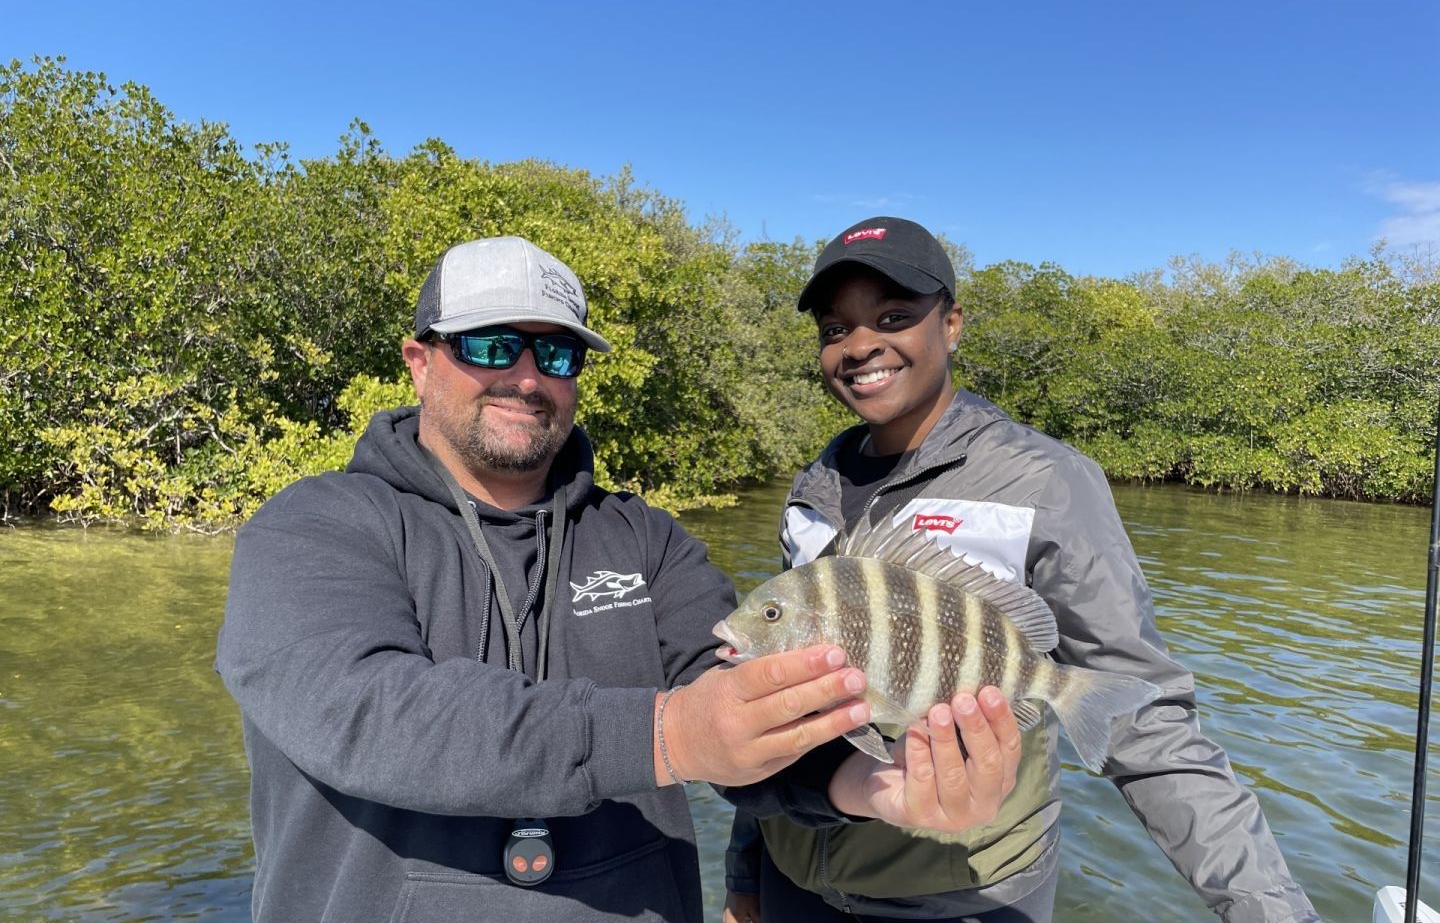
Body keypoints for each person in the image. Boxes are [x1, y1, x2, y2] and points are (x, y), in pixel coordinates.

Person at [216, 234, 1022, 923]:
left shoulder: (648, 539)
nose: (526, 376)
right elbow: (365, 713)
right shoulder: (311, 527)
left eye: (556, 352)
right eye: (491, 345)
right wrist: (667, 735)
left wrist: (871, 786)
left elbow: (739, 702)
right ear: (420, 362)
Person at [723, 217, 1319, 923]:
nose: (858, 346)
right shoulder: (814, 484)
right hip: (794, 880)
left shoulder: (1048, 481)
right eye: (834, 328)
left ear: (951, 324)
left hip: (967, 895)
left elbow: (1148, 722)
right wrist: (745, 873)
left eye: (893, 316)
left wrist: (1267, 909)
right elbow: (782, 708)